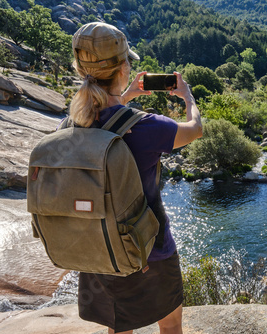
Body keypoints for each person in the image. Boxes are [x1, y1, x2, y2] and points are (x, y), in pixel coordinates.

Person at [69, 22, 202, 334]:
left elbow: (104, 116)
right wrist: (188, 97)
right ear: (123, 69)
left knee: (119, 327)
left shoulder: (73, 123)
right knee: (170, 328)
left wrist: (124, 96)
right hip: (150, 253)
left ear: (80, 68)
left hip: (99, 251)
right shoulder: (148, 127)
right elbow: (195, 129)